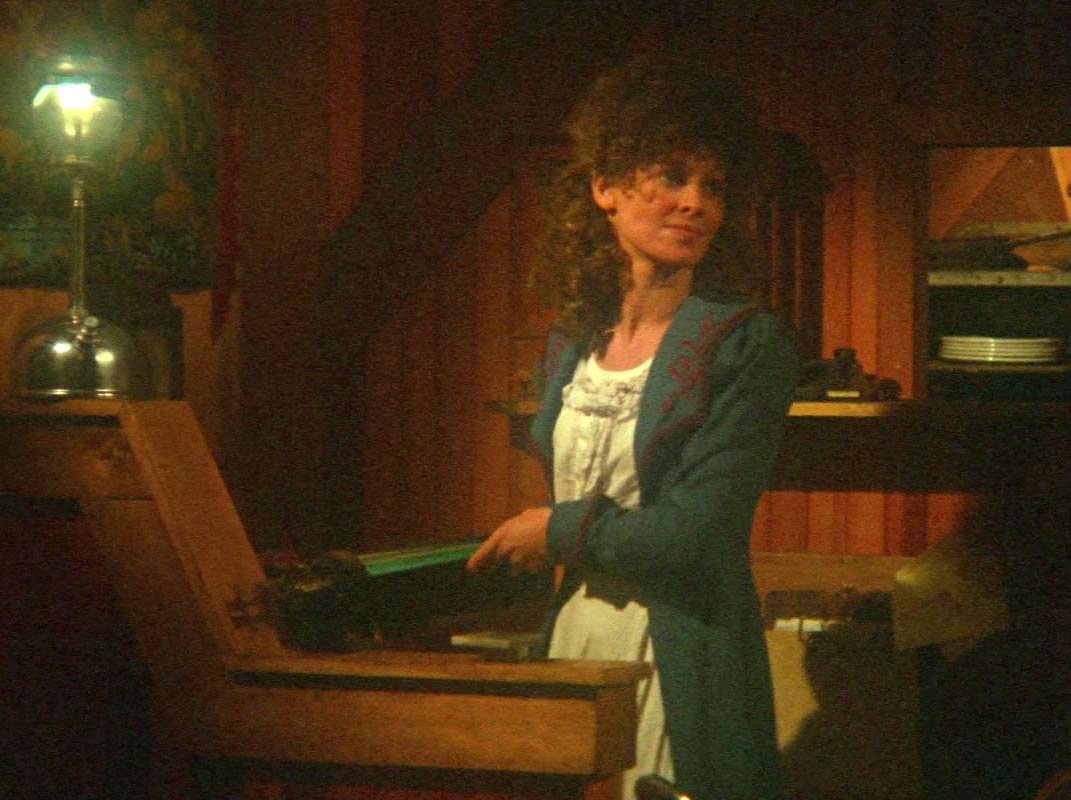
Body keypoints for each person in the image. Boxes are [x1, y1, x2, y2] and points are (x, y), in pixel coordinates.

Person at [467, 51, 800, 800]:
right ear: (605, 188)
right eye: (673, 177)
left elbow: (698, 533)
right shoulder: (572, 341)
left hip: (682, 650)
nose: (695, 203)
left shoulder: (745, 342)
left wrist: (557, 530)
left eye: (714, 186)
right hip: (580, 639)